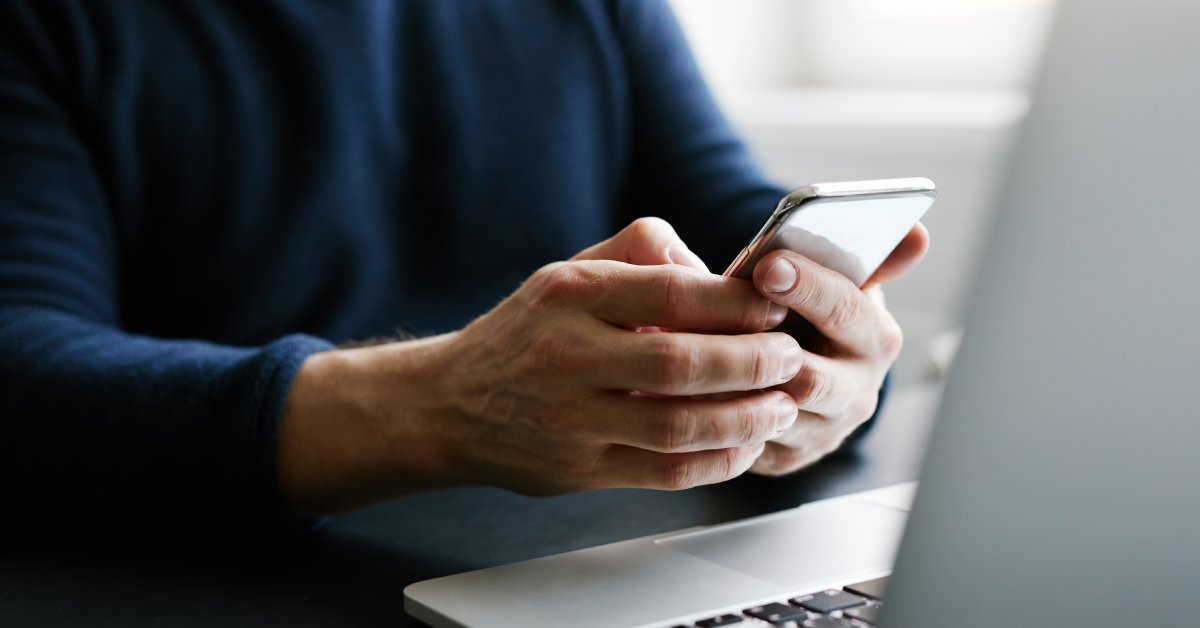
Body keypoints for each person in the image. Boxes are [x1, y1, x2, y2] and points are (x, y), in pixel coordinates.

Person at [0, 1, 927, 530]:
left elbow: (726, 210)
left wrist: (821, 358)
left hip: (597, 553)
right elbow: (22, 367)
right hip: (218, 573)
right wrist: (436, 409)